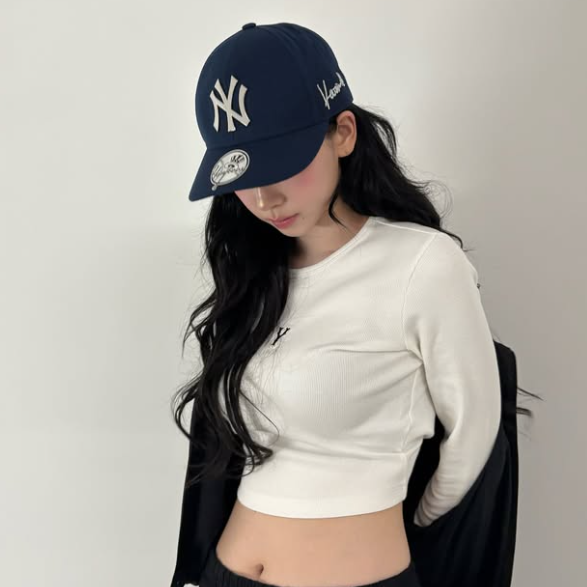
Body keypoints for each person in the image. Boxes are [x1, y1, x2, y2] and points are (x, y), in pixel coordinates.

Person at [174, 21, 502, 587]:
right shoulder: (255, 277)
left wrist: (401, 527)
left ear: (343, 132)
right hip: (225, 573)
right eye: (242, 175)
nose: (264, 198)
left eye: (281, 165)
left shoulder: (423, 266)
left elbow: (474, 437)